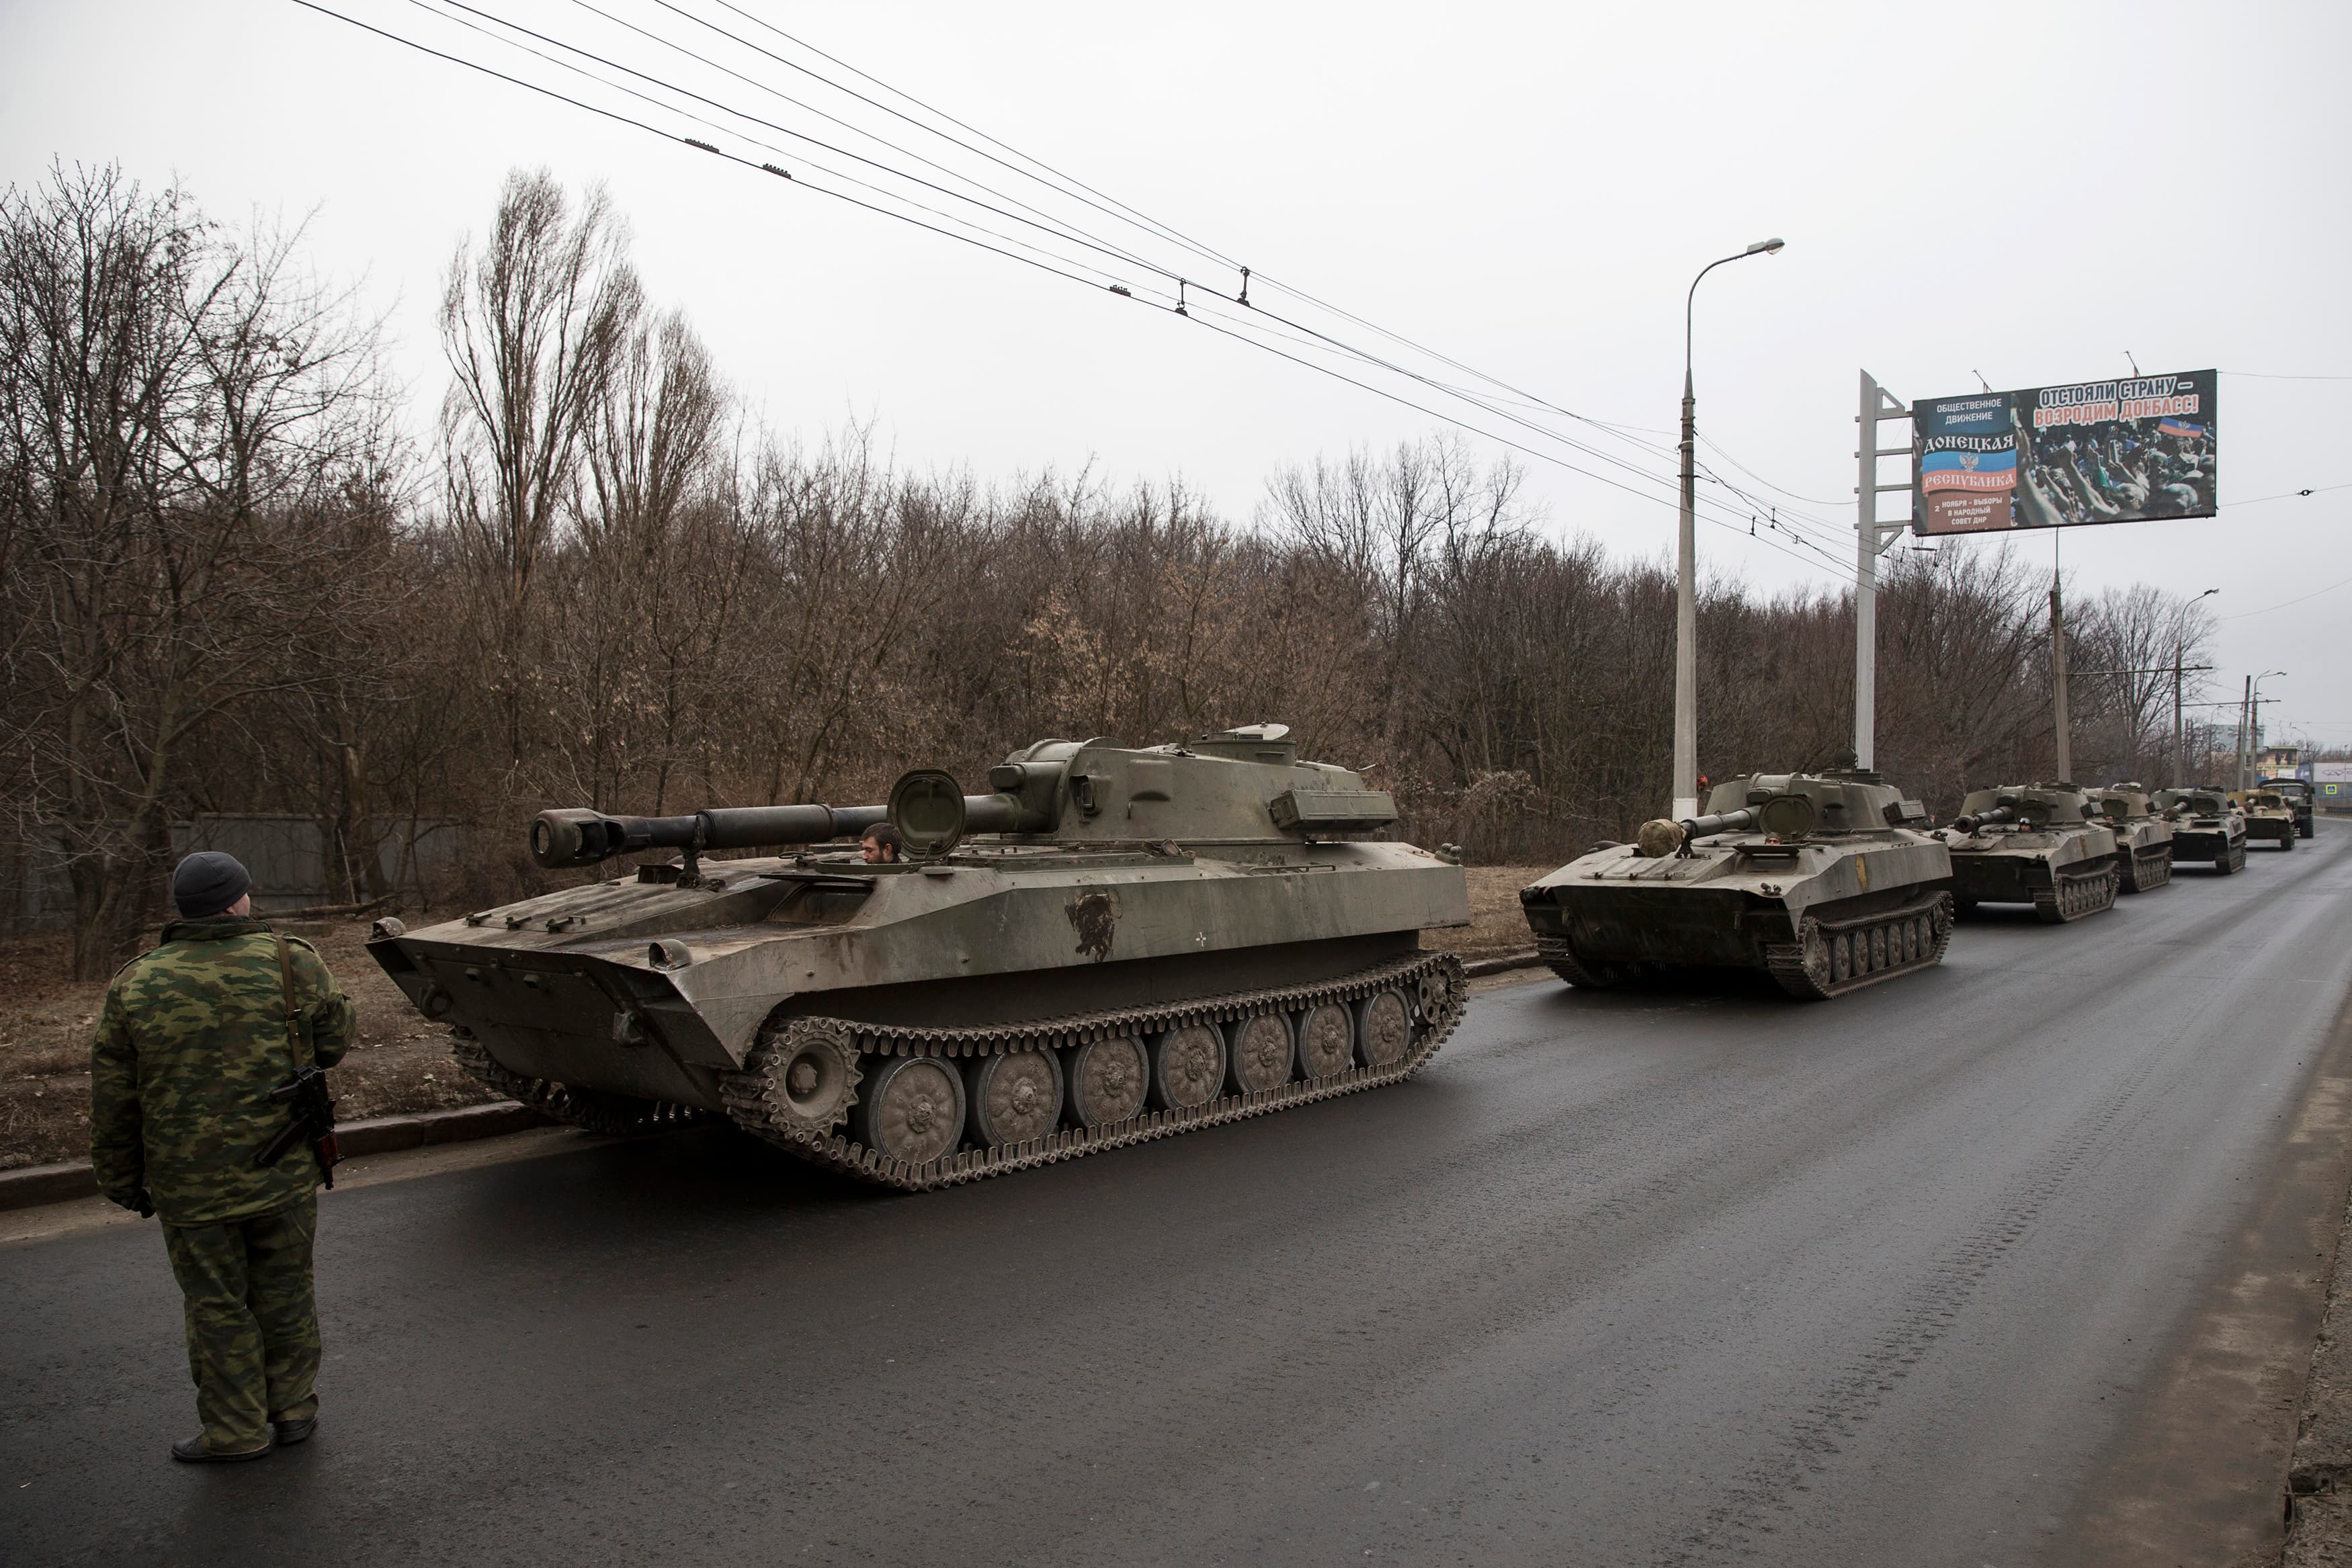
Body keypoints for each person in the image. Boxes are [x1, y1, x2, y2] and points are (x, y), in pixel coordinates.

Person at [89, 851, 355, 1463]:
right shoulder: (294, 963)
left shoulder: (137, 981)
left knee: (216, 1303)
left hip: (190, 1183)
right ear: (238, 902)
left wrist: (121, 1179)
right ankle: (291, 1410)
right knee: (286, 1289)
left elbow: (113, 1097)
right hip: (283, 1169)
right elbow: (335, 1044)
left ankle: (237, 1431)